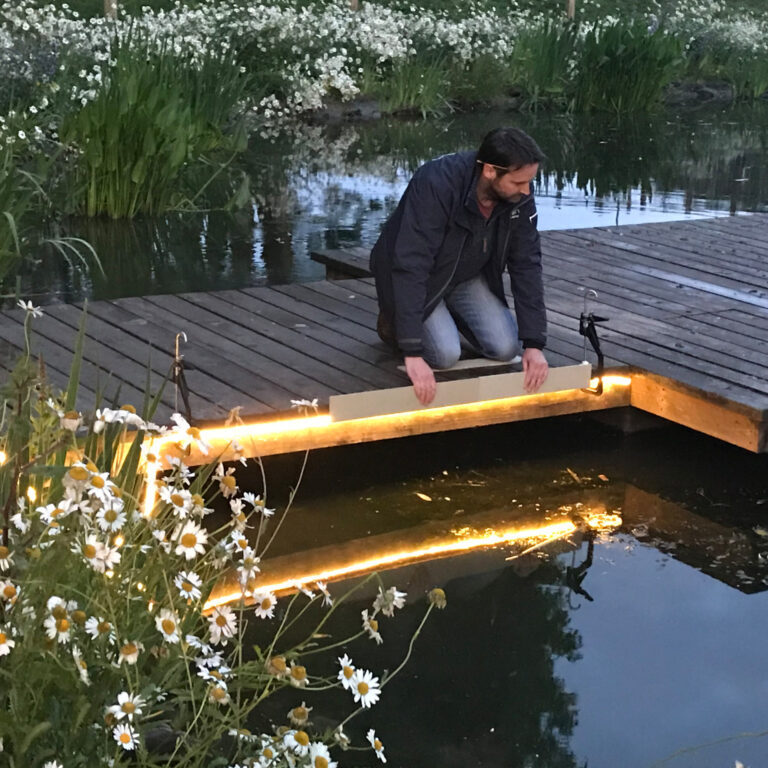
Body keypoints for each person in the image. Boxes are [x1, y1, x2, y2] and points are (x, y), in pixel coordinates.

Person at [370, 126, 550, 405]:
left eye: (529, 182)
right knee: (444, 355)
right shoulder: (436, 183)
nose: (526, 191)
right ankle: (394, 322)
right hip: (421, 276)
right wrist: (412, 351)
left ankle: (442, 315)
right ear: (490, 170)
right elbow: (410, 264)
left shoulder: (518, 197)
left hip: (465, 275)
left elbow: (527, 263)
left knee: (506, 348)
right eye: (518, 183)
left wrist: (535, 343)